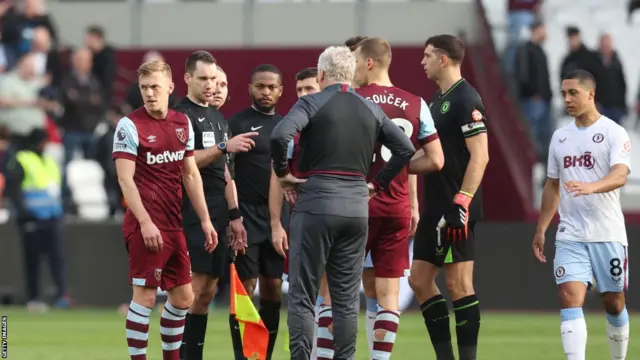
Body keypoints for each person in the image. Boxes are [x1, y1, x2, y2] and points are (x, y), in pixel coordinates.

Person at [271, 45, 416, 360]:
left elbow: (280, 136)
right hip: (356, 208)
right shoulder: (370, 108)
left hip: (316, 203)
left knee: (303, 297)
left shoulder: (311, 102)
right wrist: (376, 185)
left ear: (321, 75)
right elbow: (405, 149)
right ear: (351, 74)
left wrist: (283, 175)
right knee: (347, 299)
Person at [113, 60, 218, 360]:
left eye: (155, 87)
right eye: (144, 87)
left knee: (184, 297)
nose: (149, 93)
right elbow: (125, 179)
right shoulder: (130, 125)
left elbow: (190, 174)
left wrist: (206, 219)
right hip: (145, 224)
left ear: (171, 88)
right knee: (144, 298)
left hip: (174, 225)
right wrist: (145, 222)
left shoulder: (181, 123)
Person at [353, 36, 444, 359]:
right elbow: (435, 160)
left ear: (368, 62)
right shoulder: (416, 103)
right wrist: (398, 170)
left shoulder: (352, 99)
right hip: (395, 206)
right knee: (388, 293)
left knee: (338, 290)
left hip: (354, 205)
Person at [532, 69, 631, 360]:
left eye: (573, 93)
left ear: (591, 94)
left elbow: (620, 175)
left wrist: (592, 187)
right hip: (570, 234)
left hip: (607, 233)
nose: (567, 99)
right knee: (569, 297)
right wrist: (541, 228)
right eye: (563, 94)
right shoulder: (560, 138)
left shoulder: (614, 132)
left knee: (613, 302)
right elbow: (552, 186)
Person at [408, 34, 490, 360]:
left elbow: (480, 156)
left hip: (456, 209)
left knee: (459, 285)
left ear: (444, 59)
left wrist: (462, 201)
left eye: (427, 55)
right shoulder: (435, 100)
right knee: (418, 280)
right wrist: (396, 164)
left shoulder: (466, 99)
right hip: (435, 206)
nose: (422, 61)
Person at [174, 51, 256, 360]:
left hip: (218, 211)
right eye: (204, 79)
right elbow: (184, 162)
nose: (211, 86)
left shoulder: (218, 118)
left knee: (208, 288)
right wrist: (223, 146)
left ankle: (194, 353)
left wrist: (235, 215)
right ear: (187, 79)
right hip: (191, 210)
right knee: (192, 288)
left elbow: (225, 172)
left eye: (215, 80)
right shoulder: (180, 115)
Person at [227, 63, 284, 360]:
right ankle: (244, 355)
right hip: (245, 216)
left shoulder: (288, 125)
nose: (265, 91)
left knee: (273, 288)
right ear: (250, 88)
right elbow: (227, 173)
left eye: (271, 87)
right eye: (260, 86)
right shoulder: (236, 124)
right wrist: (233, 214)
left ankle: (265, 355)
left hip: (276, 216)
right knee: (245, 290)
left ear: (280, 91)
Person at [268, 67, 325, 360]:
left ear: (323, 86)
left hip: (332, 220)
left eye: (309, 89)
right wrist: (277, 223)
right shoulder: (292, 129)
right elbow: (277, 176)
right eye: (299, 90)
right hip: (301, 222)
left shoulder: (337, 123)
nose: (303, 95)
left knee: (330, 297)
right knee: (304, 298)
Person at [4, 128, 69, 311]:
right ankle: (34, 298)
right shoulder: (22, 159)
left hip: (52, 215)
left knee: (57, 258)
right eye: (42, 141)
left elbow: (59, 188)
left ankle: (62, 296)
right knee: (33, 260)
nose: (44, 145)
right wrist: (24, 214)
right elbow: (14, 191)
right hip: (31, 218)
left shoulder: (49, 161)